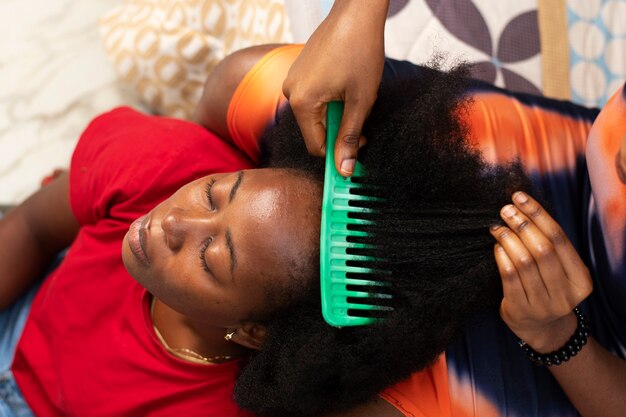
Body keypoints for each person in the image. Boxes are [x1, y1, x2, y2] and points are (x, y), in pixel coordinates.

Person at [1, 43, 624, 417]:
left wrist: (559, 340)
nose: (173, 222)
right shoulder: (162, 173)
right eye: (219, 191)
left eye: (214, 255)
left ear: (251, 330)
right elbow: (31, 225)